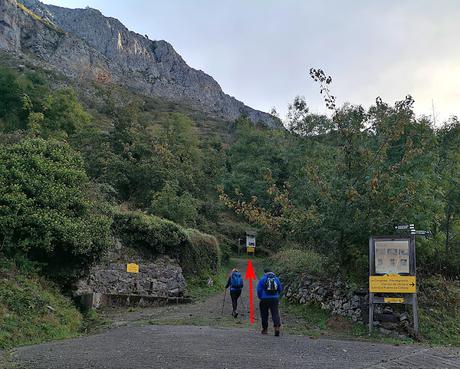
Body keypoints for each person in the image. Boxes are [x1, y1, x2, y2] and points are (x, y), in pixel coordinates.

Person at [257, 267, 282, 336]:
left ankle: (265, 330)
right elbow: (280, 289)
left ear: (265, 273)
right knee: (275, 313)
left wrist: (260, 297)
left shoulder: (262, 279)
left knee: (264, 314)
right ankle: (277, 327)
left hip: (264, 299)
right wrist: (277, 295)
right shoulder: (276, 279)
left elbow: (259, 290)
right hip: (274, 299)